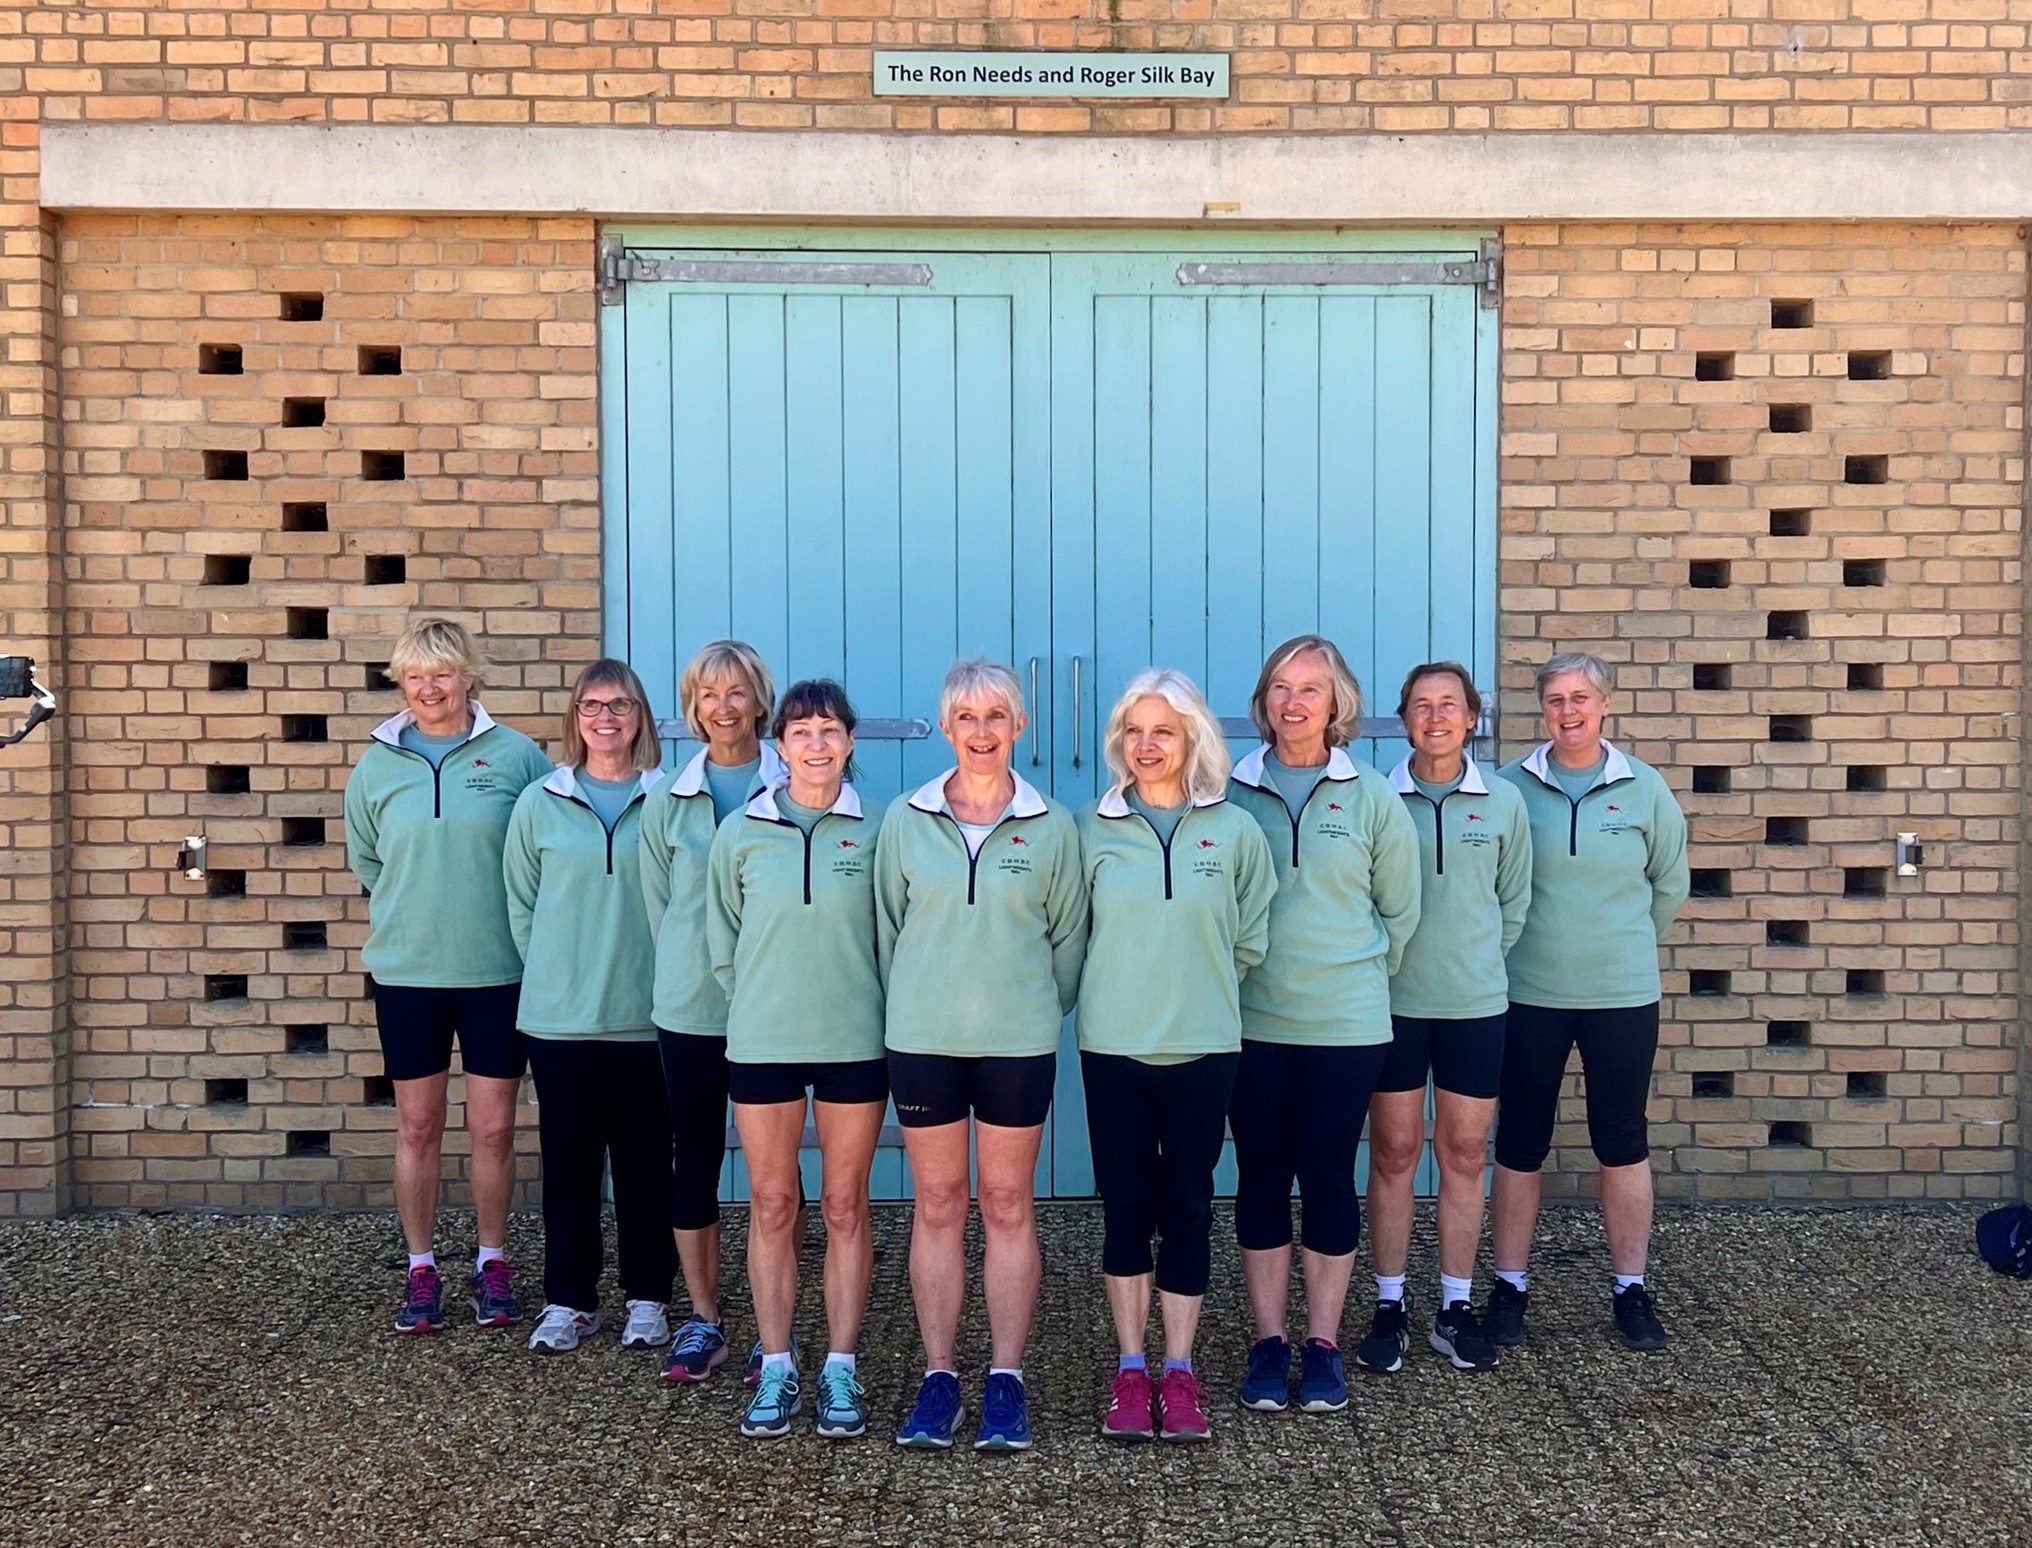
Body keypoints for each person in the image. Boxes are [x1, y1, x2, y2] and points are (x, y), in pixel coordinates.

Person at [877, 660, 1089, 1452]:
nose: (980, 731)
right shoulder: (906, 818)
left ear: (1021, 726)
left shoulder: (1052, 826)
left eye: (996, 715)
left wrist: (1029, 1009)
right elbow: (885, 932)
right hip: (924, 1042)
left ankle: (1006, 1378)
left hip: (1016, 1044)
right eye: (965, 716)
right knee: (937, 1204)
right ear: (944, 727)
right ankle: (939, 1378)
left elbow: (1068, 943)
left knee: (1005, 1205)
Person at [1077, 668, 1276, 1444]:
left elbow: (1251, 937)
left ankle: (1182, 1370)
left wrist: (1201, 990)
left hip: (1202, 1047)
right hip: (1115, 1049)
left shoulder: (1233, 830)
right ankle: (1132, 1370)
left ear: (1192, 737)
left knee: (1189, 1209)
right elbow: (1071, 937)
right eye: (1135, 731)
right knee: (1127, 1210)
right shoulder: (1089, 829)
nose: (1148, 744)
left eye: (1164, 730)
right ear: (1120, 742)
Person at [1224, 635, 1420, 1414]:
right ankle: (1270, 1344)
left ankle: (1324, 1346)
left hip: (1346, 1027)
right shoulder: (1229, 793)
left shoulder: (1371, 797)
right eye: (1280, 687)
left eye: (1311, 688)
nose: (1294, 701)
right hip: (1252, 1024)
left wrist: (1350, 973)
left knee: (1330, 1179)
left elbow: (1400, 915)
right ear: (1263, 702)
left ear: (1337, 703)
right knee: (1263, 1179)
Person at [343, 616, 553, 1336]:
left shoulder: (518, 757)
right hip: (409, 973)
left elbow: (539, 854)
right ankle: (422, 1268)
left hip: (497, 970)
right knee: (419, 1123)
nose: (429, 687)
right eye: (414, 675)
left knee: (494, 1129)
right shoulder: (376, 765)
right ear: (401, 682)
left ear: (470, 676)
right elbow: (369, 863)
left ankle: (493, 1262)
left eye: (443, 672)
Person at [1491, 651, 1689, 1351]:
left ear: (1605, 705)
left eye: (1581, 699)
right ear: (1540, 710)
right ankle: (1509, 1286)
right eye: (1555, 701)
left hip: (1621, 996)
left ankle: (1631, 1289)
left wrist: (1617, 945)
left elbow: (1668, 885)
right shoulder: (1511, 787)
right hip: (1529, 995)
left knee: (1622, 1140)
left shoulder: (1644, 789)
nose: (1568, 712)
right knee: (1519, 1143)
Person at [708, 679, 886, 1440]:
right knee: (773, 1205)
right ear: (778, 745)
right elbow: (724, 944)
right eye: (800, 731)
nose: (816, 744)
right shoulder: (741, 832)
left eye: (829, 730)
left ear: (849, 741)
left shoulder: (883, 828)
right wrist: (759, 1006)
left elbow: (898, 933)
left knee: (846, 1206)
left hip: (855, 1042)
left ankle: (840, 1369)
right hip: (764, 1044)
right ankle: (776, 1366)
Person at [502, 659, 675, 1355]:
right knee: (569, 1166)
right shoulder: (540, 802)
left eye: (621, 706)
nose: (606, 719)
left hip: (646, 1018)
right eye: (593, 707)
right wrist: (555, 970)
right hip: (561, 1020)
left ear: (642, 718)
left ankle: (648, 1299)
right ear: (576, 718)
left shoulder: (667, 800)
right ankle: (569, 1301)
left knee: (643, 1168)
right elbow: (521, 906)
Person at [1367, 662, 1532, 1374]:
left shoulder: (1502, 802)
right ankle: (1389, 1304)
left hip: (1473, 1007)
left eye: (1450, 706)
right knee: (1395, 1153)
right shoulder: (1376, 799)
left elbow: (1513, 907)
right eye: (1421, 706)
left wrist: (1470, 967)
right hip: (1394, 1006)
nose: (1436, 718)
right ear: (1404, 718)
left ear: (1472, 719)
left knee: (1465, 1154)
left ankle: (1456, 1306)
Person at [639, 641, 788, 1386]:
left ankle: (774, 1330)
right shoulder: (666, 799)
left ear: (760, 700)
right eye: (707, 695)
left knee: (774, 1177)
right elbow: (659, 905)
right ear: (691, 709)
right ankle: (704, 1320)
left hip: (777, 1011)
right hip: (693, 1007)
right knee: (693, 1159)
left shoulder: (801, 782)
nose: (723, 708)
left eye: (737, 693)